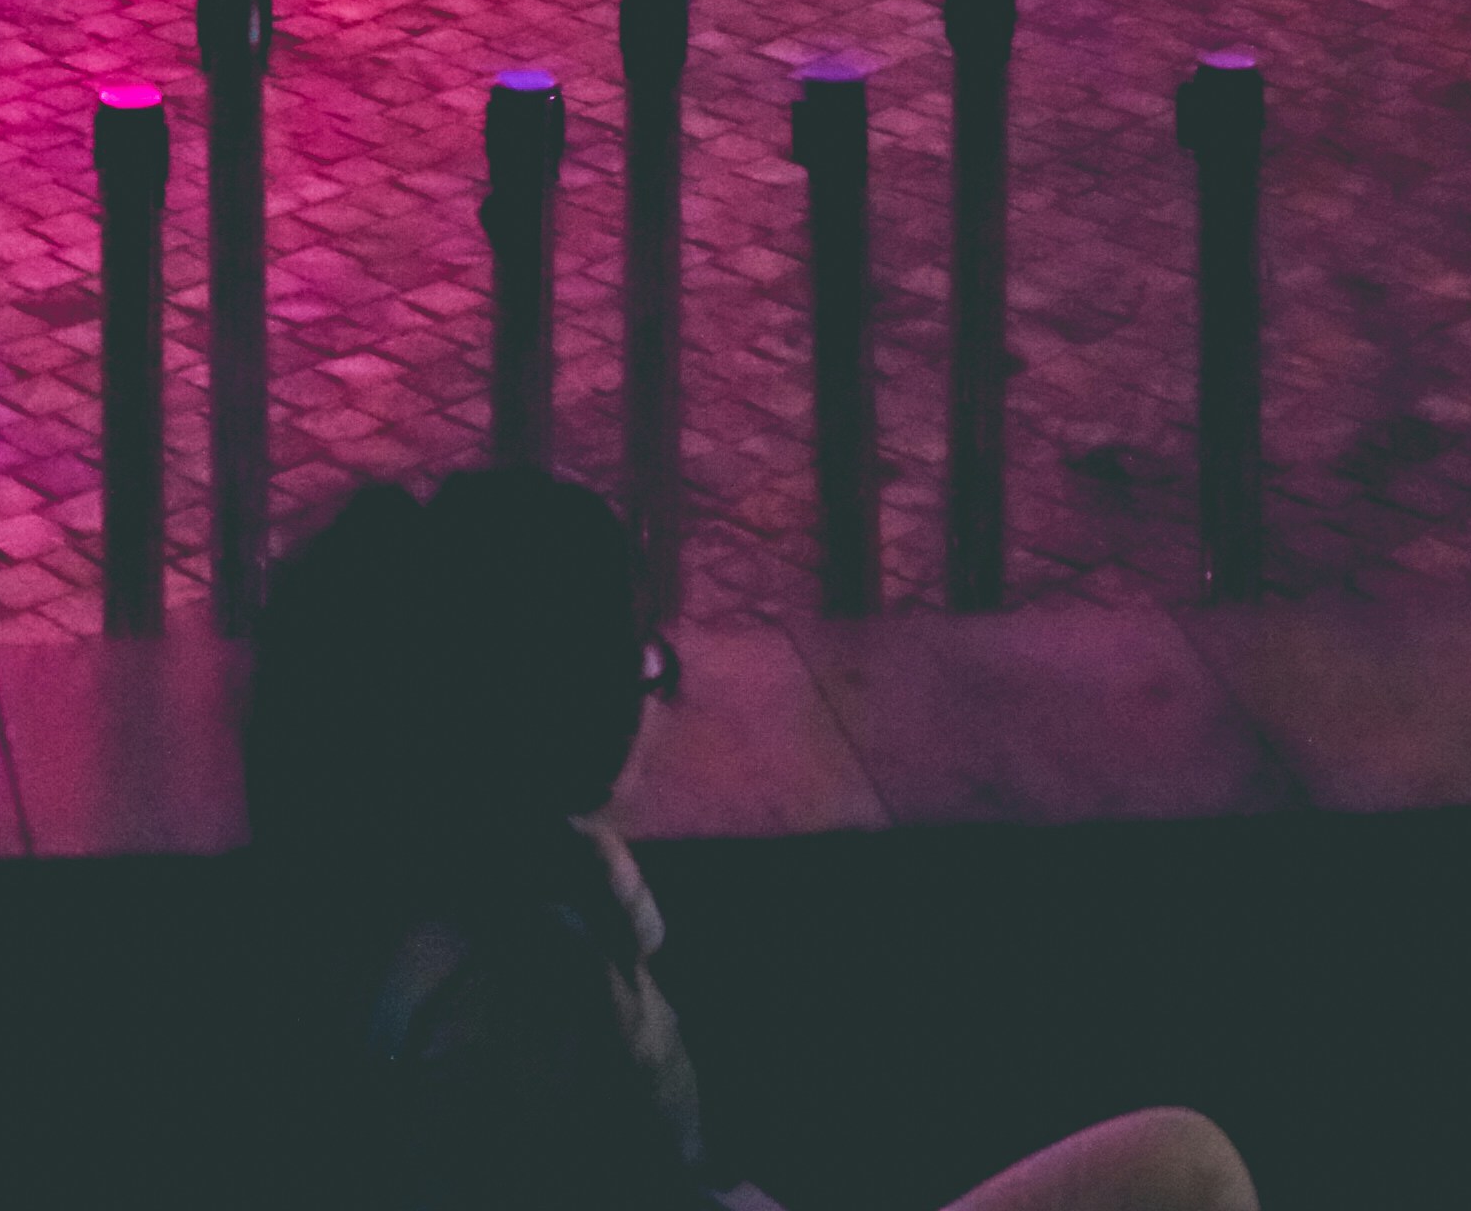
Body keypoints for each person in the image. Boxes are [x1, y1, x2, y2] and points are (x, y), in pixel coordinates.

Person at [245, 465, 1254, 1211]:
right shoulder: (518, 996)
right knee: (1184, 1170)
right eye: (632, 655)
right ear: (564, 702)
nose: (651, 685)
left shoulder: (466, 891)